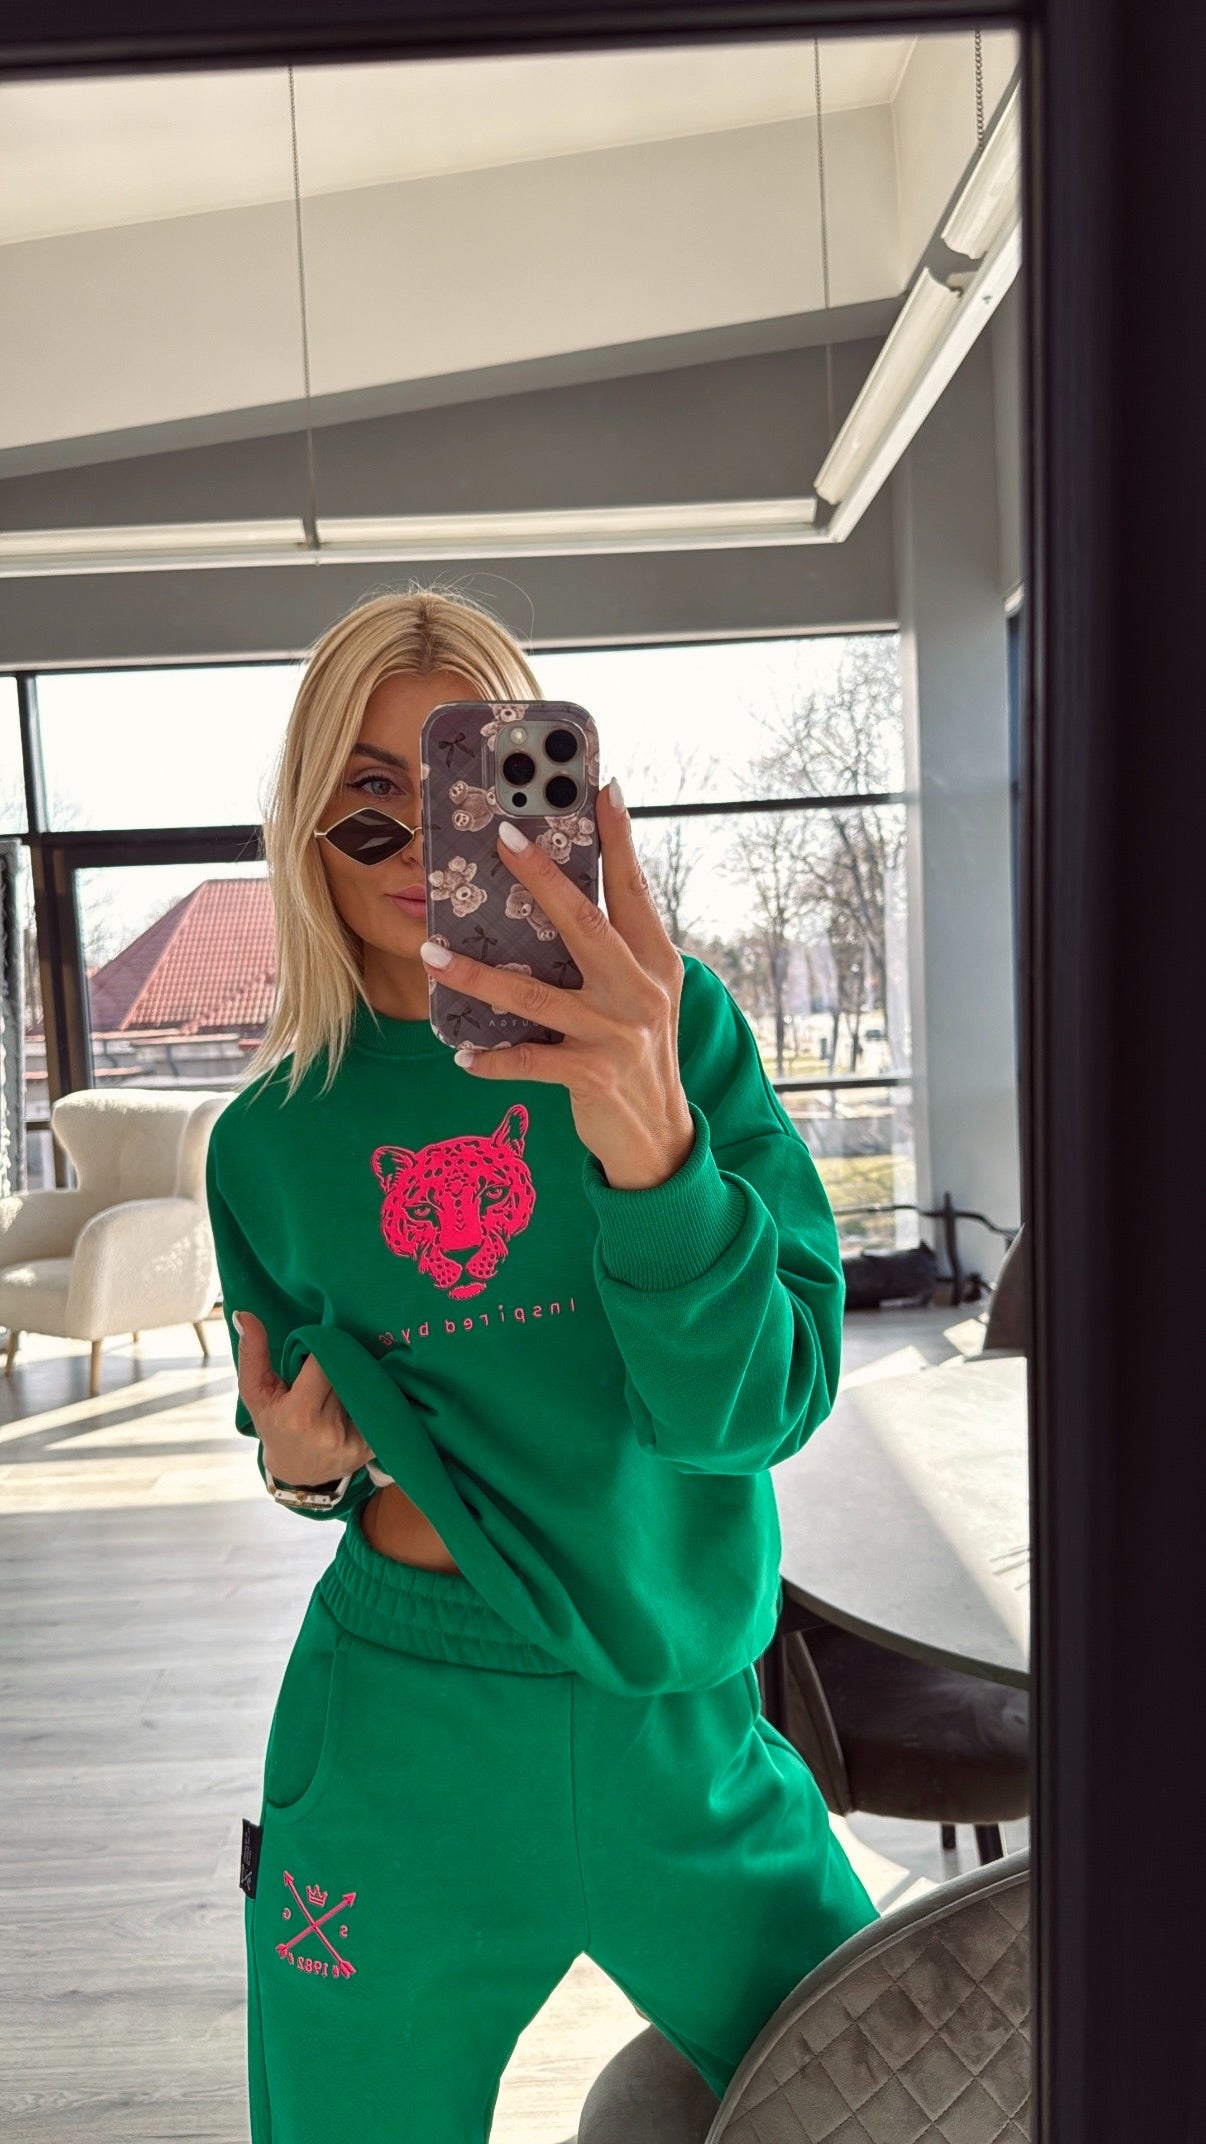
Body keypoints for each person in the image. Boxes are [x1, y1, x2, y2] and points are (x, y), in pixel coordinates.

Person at [205, 585, 879, 2144]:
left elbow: (750, 1413)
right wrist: (301, 1473)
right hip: (398, 1733)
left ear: (542, 800)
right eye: (366, 794)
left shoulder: (672, 1032)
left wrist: (651, 1144)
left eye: (462, 784)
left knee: (897, 2095)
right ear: (304, 822)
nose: (413, 841)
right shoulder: (269, 1140)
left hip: (678, 1724)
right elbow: (312, 1445)